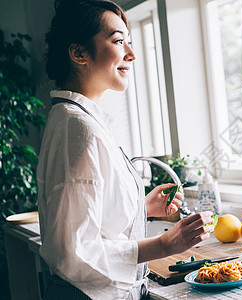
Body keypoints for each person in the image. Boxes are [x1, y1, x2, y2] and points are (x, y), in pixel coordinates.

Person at [37, 0, 214, 299]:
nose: (131, 54)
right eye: (119, 41)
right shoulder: (77, 127)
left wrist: (142, 208)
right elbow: (74, 252)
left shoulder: (79, 120)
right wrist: (165, 245)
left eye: (129, 42)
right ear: (78, 53)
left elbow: (91, 217)